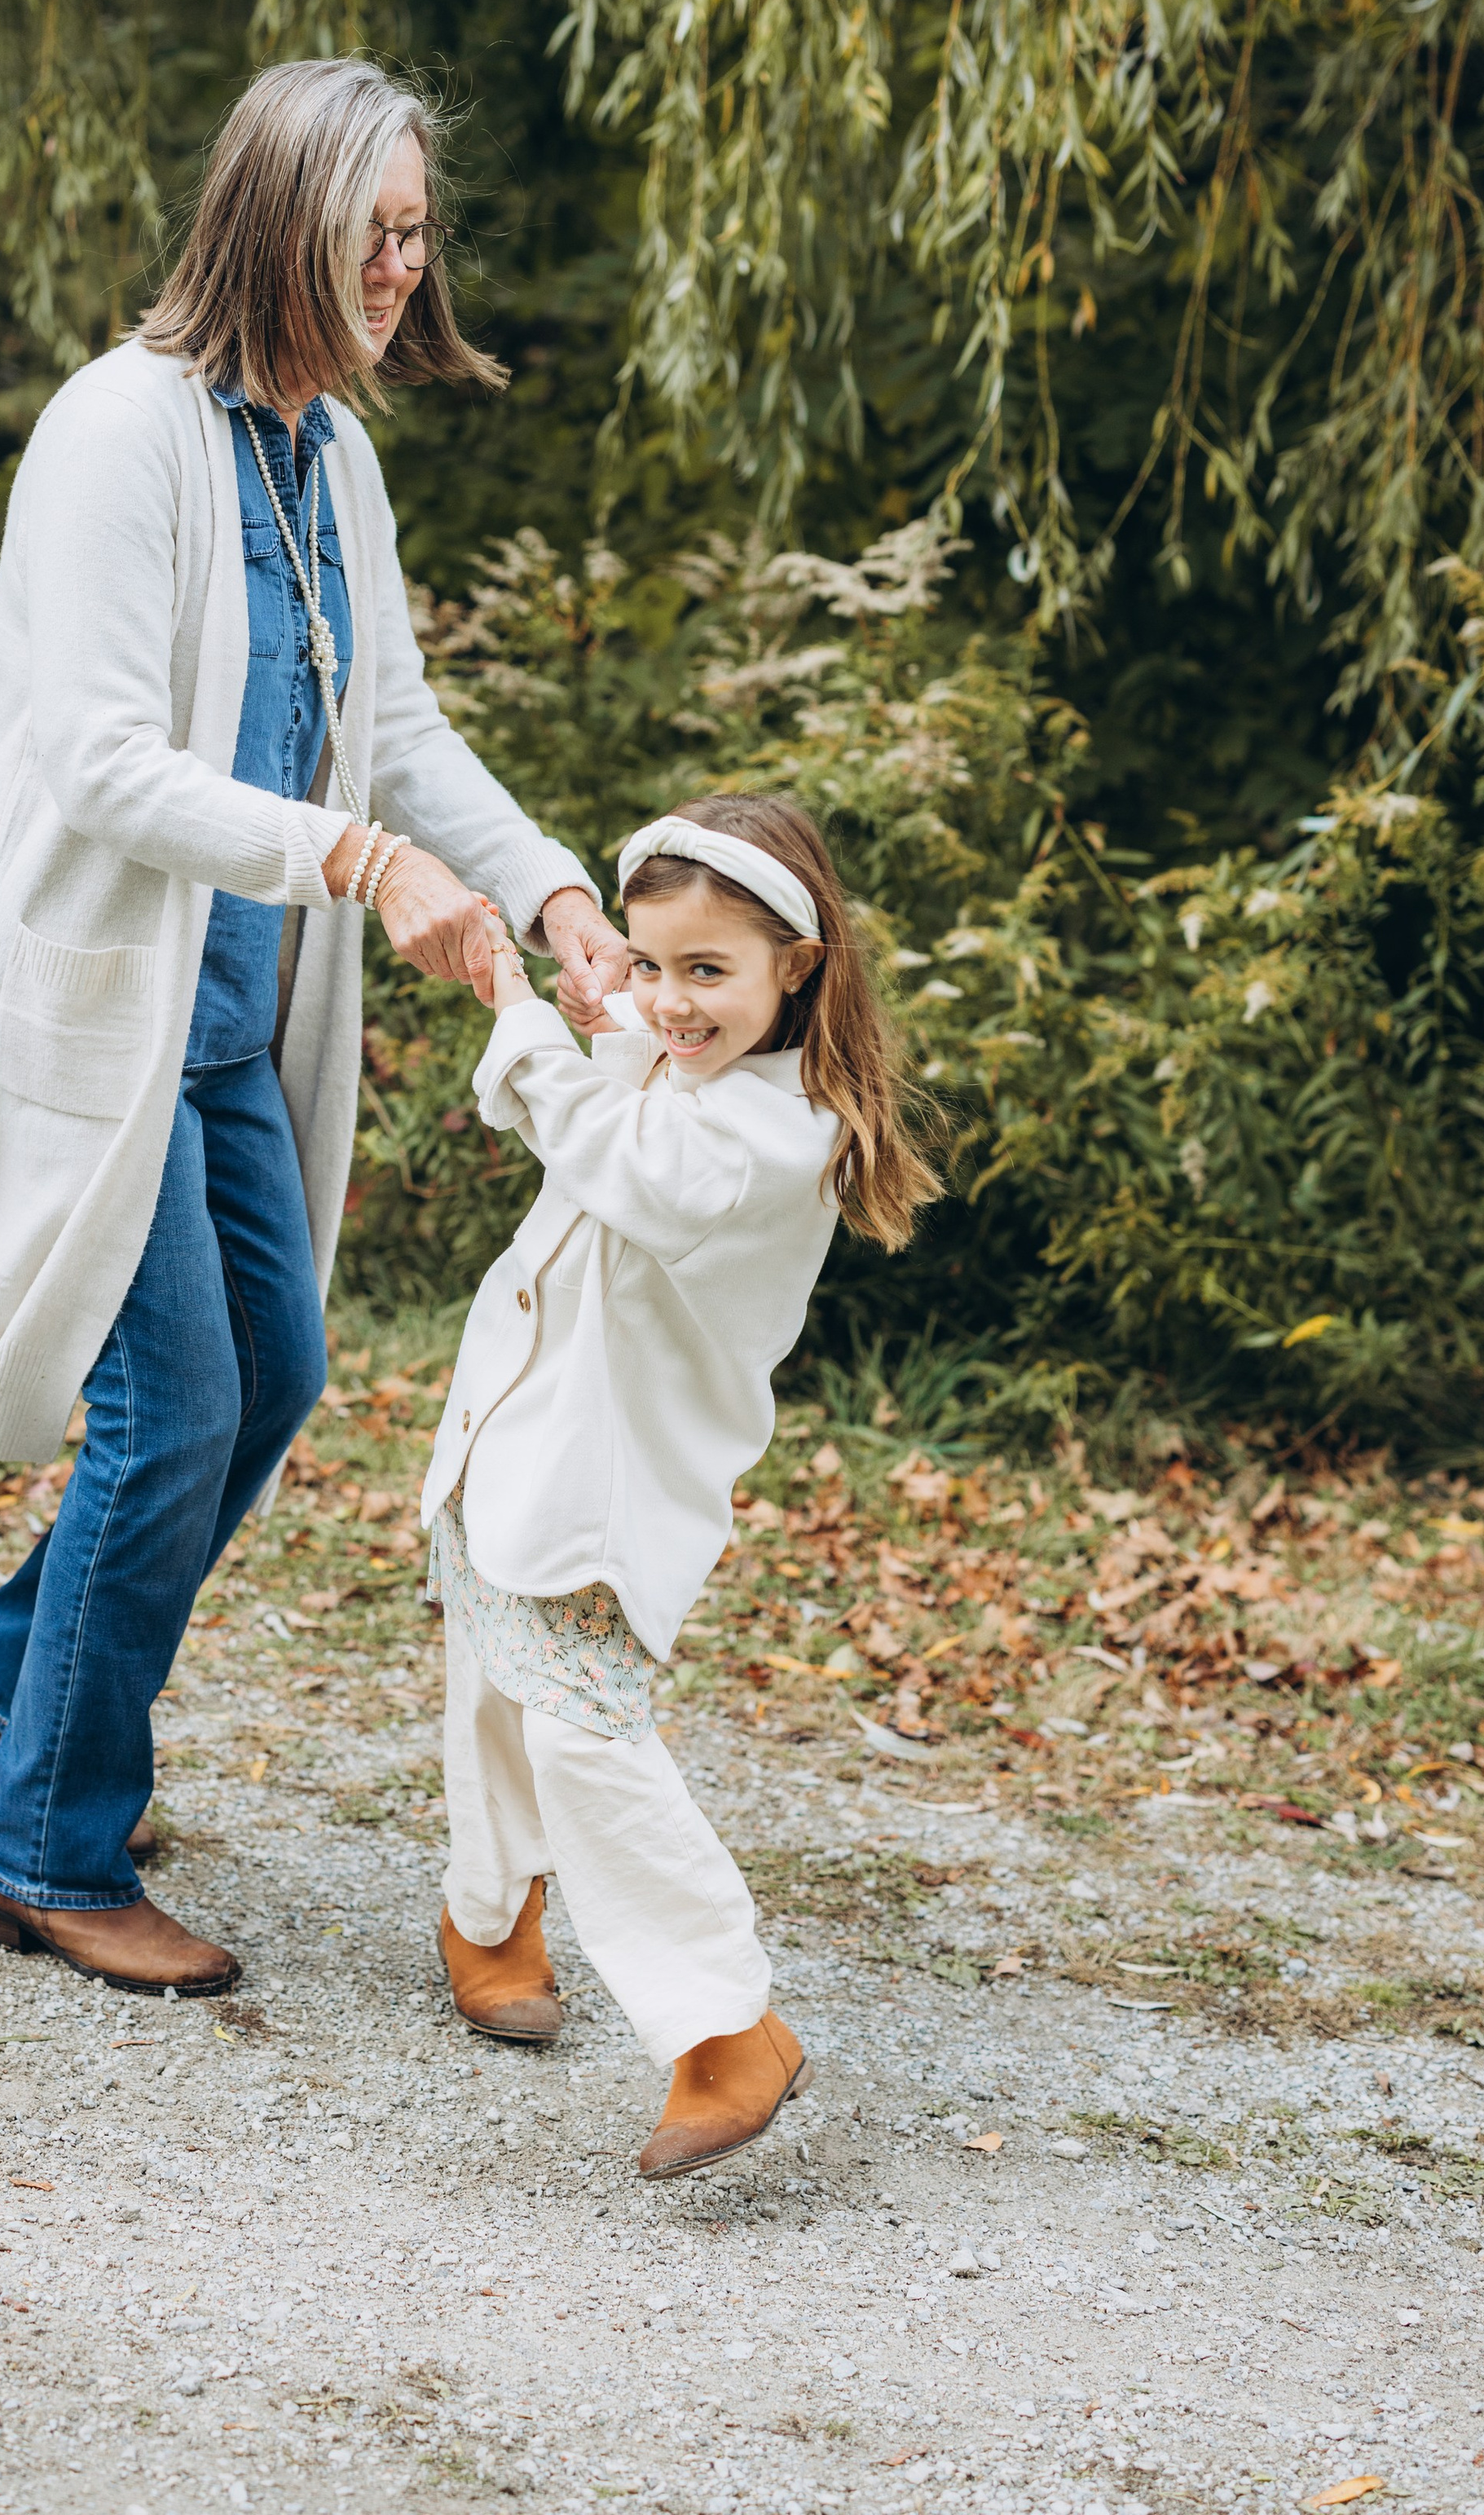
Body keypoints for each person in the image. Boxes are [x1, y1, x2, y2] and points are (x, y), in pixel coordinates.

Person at [0, 59, 628, 1992]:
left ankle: (5, 1676)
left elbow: (399, 735)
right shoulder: (121, 433)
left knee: (275, 1374)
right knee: (169, 1405)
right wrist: (354, 866)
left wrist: (552, 892)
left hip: (237, 1022)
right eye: (377, 237)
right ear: (279, 221)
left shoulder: (331, 453)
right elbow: (94, 762)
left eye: (421, 238)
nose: (407, 276)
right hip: (101, 1015)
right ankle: (43, 1850)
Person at [421, 795, 938, 2176]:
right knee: (488, 1680)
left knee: (585, 1732)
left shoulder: (786, 1128)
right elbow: (549, 1094)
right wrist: (571, 996)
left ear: (800, 967)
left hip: (611, 1483)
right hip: (508, 1430)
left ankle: (726, 2029)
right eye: (651, 965)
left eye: (707, 971)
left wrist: (521, 1011)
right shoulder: (673, 1059)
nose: (670, 1001)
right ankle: (488, 1914)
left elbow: (623, 1165)